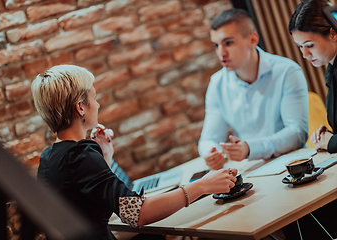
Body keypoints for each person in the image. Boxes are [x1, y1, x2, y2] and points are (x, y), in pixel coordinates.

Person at [31, 65, 238, 240]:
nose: (98, 104)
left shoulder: (49, 158)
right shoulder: (80, 155)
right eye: (94, 97)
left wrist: (105, 156)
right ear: (80, 107)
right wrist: (202, 185)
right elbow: (137, 213)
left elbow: (88, 196)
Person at [198, 9, 309, 170]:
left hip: (293, 166)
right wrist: (210, 153)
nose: (221, 53)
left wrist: (250, 148)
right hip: (250, 171)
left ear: (252, 39)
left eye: (228, 43)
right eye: (216, 45)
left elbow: (297, 134)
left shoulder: (287, 72)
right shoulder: (217, 84)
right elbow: (208, 139)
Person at [282, 0, 337, 239]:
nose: (304, 54)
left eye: (309, 45)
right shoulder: (332, 69)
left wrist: (331, 142)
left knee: (298, 219)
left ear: (333, 34)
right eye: (299, 47)